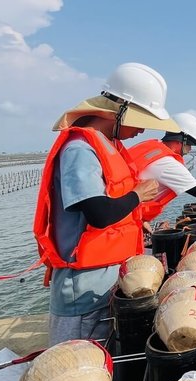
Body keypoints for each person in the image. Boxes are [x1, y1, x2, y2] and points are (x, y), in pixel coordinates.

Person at [35, 62, 179, 346]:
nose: (142, 131)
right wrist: (138, 196)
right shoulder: (80, 150)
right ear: (120, 110)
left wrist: (136, 218)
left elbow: (112, 205)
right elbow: (99, 213)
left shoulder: (108, 146)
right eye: (141, 120)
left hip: (106, 280)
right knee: (77, 363)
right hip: (84, 288)